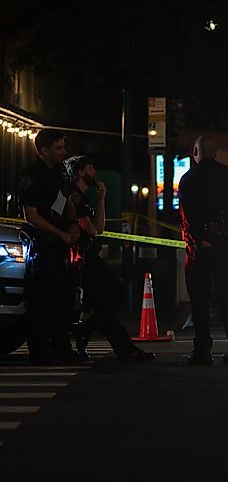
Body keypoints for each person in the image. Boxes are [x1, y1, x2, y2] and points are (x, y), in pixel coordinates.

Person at [64, 155, 155, 363]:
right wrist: (93, 227)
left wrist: (102, 198)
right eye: (90, 168)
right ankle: (125, 349)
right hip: (82, 259)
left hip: (90, 257)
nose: (94, 171)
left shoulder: (85, 197)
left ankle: (85, 329)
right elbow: (93, 230)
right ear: (80, 172)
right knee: (105, 303)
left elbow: (100, 228)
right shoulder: (74, 196)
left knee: (117, 293)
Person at [179, 135, 228, 365]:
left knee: (200, 300)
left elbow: (187, 216)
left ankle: (203, 351)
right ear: (216, 152)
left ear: (196, 152)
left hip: (200, 249)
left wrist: (199, 239)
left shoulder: (189, 179)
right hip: (226, 246)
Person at [17, 128, 85, 364]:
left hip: (60, 245)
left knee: (64, 298)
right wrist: (60, 233)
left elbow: (67, 202)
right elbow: (31, 216)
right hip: (41, 247)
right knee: (42, 300)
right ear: (43, 150)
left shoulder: (61, 174)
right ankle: (40, 351)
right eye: (58, 148)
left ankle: (61, 347)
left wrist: (74, 225)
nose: (63, 153)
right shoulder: (30, 176)